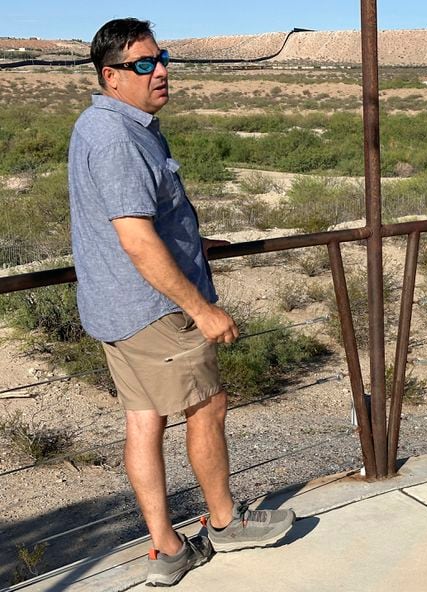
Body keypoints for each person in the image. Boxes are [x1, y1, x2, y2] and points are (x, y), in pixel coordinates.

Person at [67, 18, 295, 587]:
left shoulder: (111, 126)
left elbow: (150, 223)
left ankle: (167, 549)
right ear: (111, 76)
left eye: (161, 57)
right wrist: (202, 308)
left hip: (119, 308)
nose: (161, 70)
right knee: (208, 407)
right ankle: (223, 522)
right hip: (156, 311)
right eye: (145, 64)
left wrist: (193, 241)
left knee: (144, 420)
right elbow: (137, 239)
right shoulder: (118, 138)